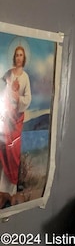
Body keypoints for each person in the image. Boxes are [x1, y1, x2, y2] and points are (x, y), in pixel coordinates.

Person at [0, 45, 32, 208]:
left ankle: (11, 190)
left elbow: (28, 99)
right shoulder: (8, 74)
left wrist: (17, 97)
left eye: (21, 55)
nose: (19, 57)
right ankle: (1, 190)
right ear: (14, 57)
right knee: (4, 149)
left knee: (13, 152)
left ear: (24, 58)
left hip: (17, 119)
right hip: (6, 118)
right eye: (17, 55)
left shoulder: (25, 77)